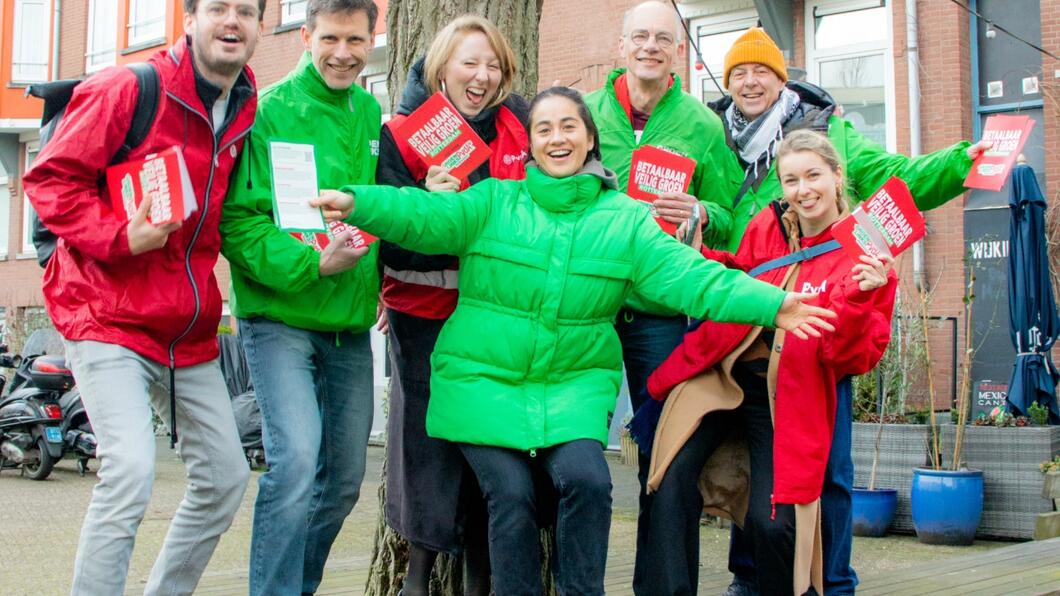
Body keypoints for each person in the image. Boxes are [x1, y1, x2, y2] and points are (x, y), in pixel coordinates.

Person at [312, 86, 837, 596]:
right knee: (511, 494)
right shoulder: (494, 199)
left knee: (589, 482)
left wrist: (774, 305)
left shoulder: (626, 221)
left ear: (590, 139)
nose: (556, 138)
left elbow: (695, 279)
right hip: (481, 385)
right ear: (531, 145)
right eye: (544, 129)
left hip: (572, 389)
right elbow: (421, 215)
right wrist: (356, 202)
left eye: (569, 126)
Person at [703, 27, 992, 596]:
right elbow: (716, 220)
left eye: (761, 70)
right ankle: (750, 576)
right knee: (755, 469)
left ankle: (832, 582)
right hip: (746, 333)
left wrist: (961, 163)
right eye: (737, 72)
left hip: (815, 332)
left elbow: (899, 179)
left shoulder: (829, 133)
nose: (749, 81)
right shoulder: (718, 142)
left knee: (827, 475)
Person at [22, 1, 263, 594]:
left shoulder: (246, 108)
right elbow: (48, 180)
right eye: (218, 9)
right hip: (103, 310)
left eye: (248, 12)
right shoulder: (129, 88)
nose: (232, 22)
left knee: (228, 477)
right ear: (189, 18)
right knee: (130, 471)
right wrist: (119, 234)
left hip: (185, 325)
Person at [634, 129, 898, 596]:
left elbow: (853, 358)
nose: (803, 190)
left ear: (838, 177)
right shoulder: (768, 224)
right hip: (721, 373)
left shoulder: (867, 247)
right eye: (791, 180)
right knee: (666, 482)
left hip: (790, 394)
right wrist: (701, 256)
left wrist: (863, 296)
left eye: (813, 175)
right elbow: (743, 276)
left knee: (774, 523)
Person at [218, 0, 380, 593]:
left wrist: (379, 278)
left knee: (343, 481)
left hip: (350, 326)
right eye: (331, 38)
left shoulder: (369, 111)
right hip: (279, 319)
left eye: (356, 40)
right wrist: (314, 263)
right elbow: (237, 224)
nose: (343, 52)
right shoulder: (267, 112)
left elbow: (374, 211)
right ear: (306, 35)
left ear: (372, 38)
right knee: (292, 467)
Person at [582, 0, 741, 563]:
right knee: (570, 452)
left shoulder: (701, 124)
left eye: (663, 38)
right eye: (640, 37)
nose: (650, 46)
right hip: (588, 306)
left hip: (661, 308)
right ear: (620, 48)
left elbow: (730, 213)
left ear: (678, 50)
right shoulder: (586, 113)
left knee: (669, 454)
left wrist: (700, 209)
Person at [374, 15, 528, 596]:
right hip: (422, 319)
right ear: (441, 66)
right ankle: (417, 576)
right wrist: (425, 207)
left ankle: (478, 578)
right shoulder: (400, 134)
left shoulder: (522, 130)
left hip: (494, 318)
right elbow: (386, 238)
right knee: (426, 446)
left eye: (493, 66)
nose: (482, 76)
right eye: (470, 62)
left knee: (489, 449)